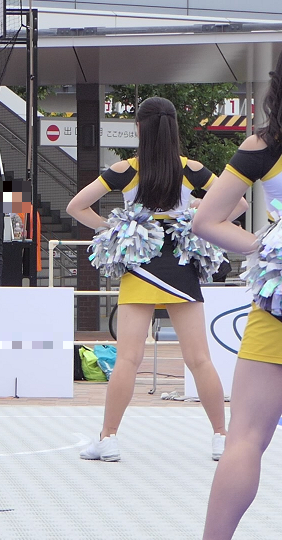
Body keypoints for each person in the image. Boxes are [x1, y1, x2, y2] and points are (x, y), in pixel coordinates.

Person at [66, 96, 247, 463]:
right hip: (181, 266)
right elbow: (239, 205)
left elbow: (76, 206)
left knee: (128, 359)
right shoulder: (192, 169)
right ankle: (221, 437)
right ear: (173, 128)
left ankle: (108, 438)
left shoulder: (125, 170)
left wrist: (112, 227)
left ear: (139, 129)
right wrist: (198, 210)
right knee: (200, 359)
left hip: (140, 266)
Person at [195, 49, 282, 540]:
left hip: (278, 304)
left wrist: (267, 247)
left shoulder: (265, 144)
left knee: (245, 438)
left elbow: (206, 221)